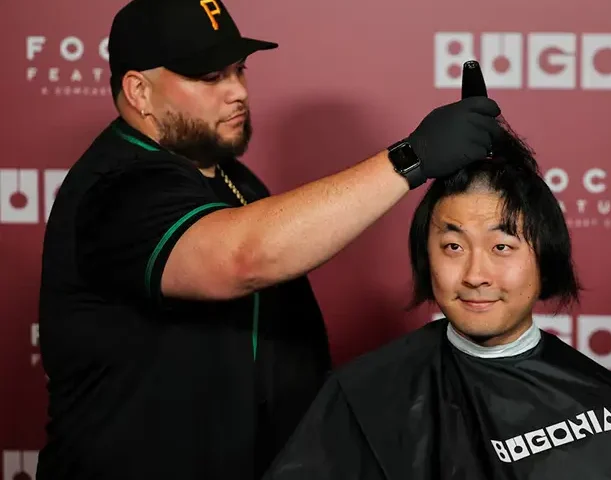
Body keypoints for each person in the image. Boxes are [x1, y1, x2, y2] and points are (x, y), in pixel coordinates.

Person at [35, 0, 504, 479]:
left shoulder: (231, 179)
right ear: (139, 91)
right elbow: (241, 257)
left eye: (239, 71)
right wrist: (412, 158)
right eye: (211, 77)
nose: (238, 92)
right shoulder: (116, 188)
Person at [262, 117, 611, 479]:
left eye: (501, 247)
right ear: (425, 258)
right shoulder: (363, 398)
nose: (475, 275)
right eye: (453, 247)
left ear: (544, 259)